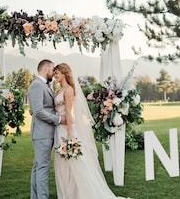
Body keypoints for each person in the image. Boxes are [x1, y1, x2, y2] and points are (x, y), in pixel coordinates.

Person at [53, 63, 126, 199]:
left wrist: (69, 134)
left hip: (66, 129)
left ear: (64, 73)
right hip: (59, 129)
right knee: (64, 164)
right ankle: (69, 193)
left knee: (73, 164)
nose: (54, 75)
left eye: (57, 72)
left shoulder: (68, 90)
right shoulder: (59, 90)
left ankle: (80, 194)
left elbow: (69, 113)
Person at [28, 59, 66, 199]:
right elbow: (38, 111)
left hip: (43, 132)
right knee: (42, 168)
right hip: (42, 133)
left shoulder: (43, 85)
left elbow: (39, 108)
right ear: (45, 69)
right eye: (52, 70)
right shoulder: (38, 85)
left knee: (38, 167)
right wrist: (59, 119)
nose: (53, 73)